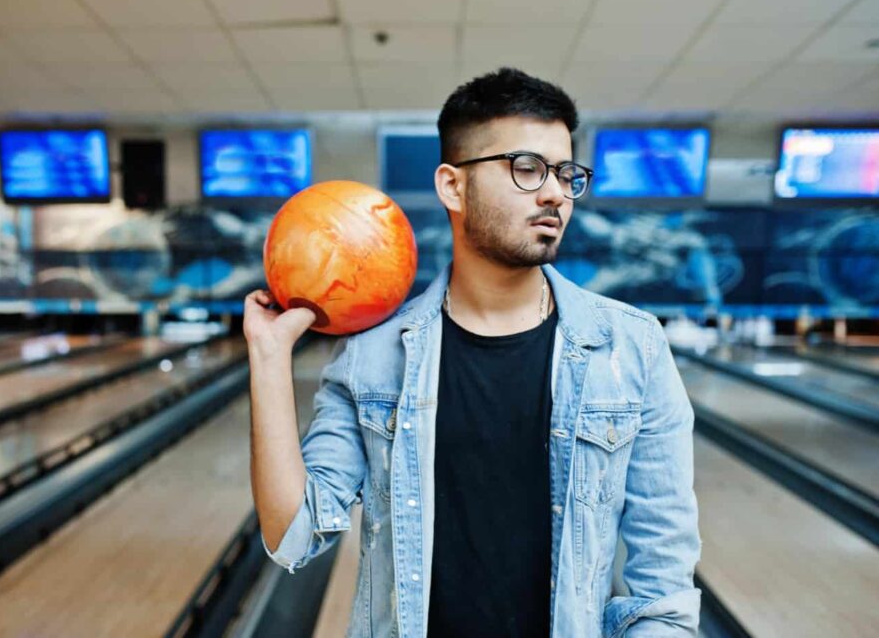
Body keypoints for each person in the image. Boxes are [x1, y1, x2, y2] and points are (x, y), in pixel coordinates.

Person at [243, 67, 701, 638]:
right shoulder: (374, 357)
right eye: (527, 168)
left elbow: (664, 586)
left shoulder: (632, 348)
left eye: (565, 173)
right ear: (452, 186)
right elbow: (293, 535)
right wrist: (267, 358)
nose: (555, 192)